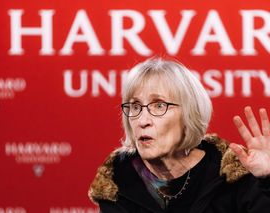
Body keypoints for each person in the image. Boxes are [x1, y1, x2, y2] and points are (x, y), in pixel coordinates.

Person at [88, 58, 270, 213]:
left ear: (189, 114)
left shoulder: (232, 175)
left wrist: (268, 178)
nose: (142, 120)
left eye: (159, 105)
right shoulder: (117, 180)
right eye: (135, 106)